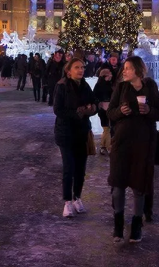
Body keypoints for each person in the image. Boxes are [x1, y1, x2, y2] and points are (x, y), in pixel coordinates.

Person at [106, 56, 159, 243]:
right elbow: (110, 112)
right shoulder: (121, 87)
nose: (124, 71)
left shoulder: (150, 87)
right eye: (124, 68)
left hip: (143, 143)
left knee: (139, 187)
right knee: (118, 185)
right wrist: (120, 112)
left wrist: (149, 111)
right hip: (122, 143)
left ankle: (137, 225)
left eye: (128, 68)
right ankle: (118, 225)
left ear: (138, 70)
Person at [53, 58, 97, 218]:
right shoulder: (62, 86)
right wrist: (77, 113)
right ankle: (67, 202)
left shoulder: (85, 85)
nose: (81, 70)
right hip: (65, 132)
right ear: (68, 71)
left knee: (80, 169)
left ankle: (77, 197)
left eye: (82, 67)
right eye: (77, 67)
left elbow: (94, 102)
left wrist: (92, 109)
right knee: (69, 168)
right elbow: (57, 109)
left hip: (82, 132)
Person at [93, 68, 115, 155]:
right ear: (105, 75)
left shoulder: (108, 84)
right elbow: (95, 97)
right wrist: (101, 103)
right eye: (110, 74)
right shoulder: (101, 85)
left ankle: (104, 147)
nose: (111, 75)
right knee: (107, 128)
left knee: (107, 128)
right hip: (103, 110)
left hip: (108, 109)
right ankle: (106, 147)